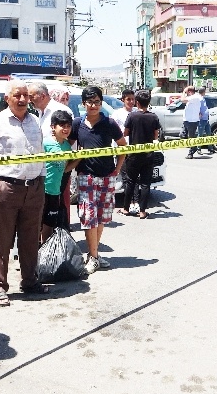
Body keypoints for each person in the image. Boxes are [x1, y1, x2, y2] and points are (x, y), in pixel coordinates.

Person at [0, 80, 49, 308]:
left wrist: (41, 178)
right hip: (7, 189)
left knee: (30, 240)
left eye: (25, 96)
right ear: (7, 98)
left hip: (34, 188)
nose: (22, 99)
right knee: (2, 241)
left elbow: (40, 152)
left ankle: (30, 282)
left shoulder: (34, 121)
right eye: (17, 95)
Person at [68, 86, 126, 274]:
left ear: (101, 103)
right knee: (88, 217)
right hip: (86, 177)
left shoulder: (109, 123)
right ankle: (93, 256)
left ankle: (94, 254)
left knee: (101, 217)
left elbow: (123, 146)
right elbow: (66, 147)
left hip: (107, 177)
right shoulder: (77, 124)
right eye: (90, 102)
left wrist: (117, 169)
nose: (93, 106)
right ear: (83, 104)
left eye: (97, 102)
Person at [118, 89, 161, 220]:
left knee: (130, 181)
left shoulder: (132, 116)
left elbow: (125, 133)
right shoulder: (154, 117)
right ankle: (142, 211)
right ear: (148, 102)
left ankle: (126, 209)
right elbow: (156, 135)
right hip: (148, 154)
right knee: (145, 183)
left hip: (134, 155)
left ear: (137, 102)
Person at [41, 110, 79, 243]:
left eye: (68, 126)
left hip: (55, 192)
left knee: (49, 223)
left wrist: (79, 158)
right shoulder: (44, 144)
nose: (66, 129)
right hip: (41, 190)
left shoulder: (67, 146)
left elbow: (65, 169)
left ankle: (45, 253)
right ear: (53, 126)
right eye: (62, 126)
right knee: (36, 223)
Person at [181, 86, 202, 159]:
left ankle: (191, 152)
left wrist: (184, 91)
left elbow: (182, 100)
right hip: (187, 120)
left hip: (192, 121)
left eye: (187, 92)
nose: (186, 94)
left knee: (191, 137)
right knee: (182, 135)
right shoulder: (192, 98)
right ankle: (194, 147)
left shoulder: (194, 97)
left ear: (189, 92)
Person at [196, 87, 217, 155]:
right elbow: (197, 107)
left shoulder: (202, 98)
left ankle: (210, 148)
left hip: (206, 119)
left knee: (209, 133)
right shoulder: (199, 99)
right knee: (200, 134)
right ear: (203, 91)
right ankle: (198, 149)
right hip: (201, 119)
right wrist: (199, 113)